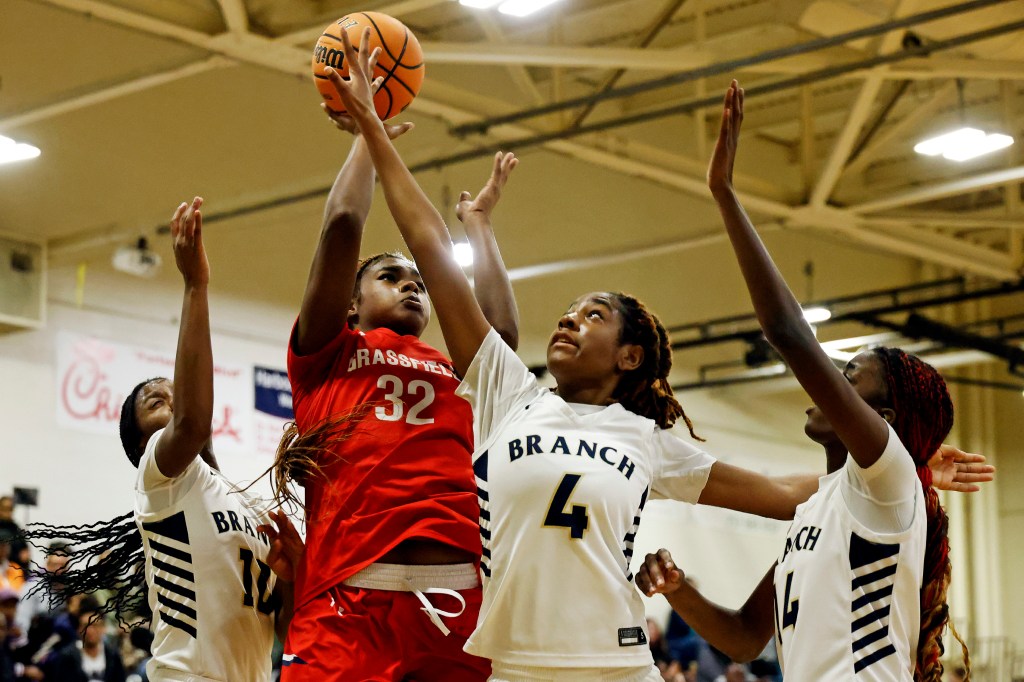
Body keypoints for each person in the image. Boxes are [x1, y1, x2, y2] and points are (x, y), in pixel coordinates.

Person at [323, 35, 993, 682]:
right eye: (569, 311)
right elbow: (433, 250)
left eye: (593, 316)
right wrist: (374, 135)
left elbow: (793, 494)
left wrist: (906, 461)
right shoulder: (507, 395)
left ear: (630, 356)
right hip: (516, 668)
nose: (568, 319)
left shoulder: (648, 441)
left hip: (619, 668)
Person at [635, 81, 992, 681]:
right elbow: (747, 639)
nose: (826, 385)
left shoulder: (887, 480)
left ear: (884, 422)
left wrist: (725, 195)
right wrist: (678, 589)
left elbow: (787, 331)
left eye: (849, 379)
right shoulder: (819, 509)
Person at [273, 44, 519, 682]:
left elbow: (505, 335)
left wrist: (479, 227)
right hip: (349, 596)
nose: (414, 286)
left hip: (454, 596)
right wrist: (366, 130)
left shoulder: (453, 364)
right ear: (352, 305)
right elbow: (343, 225)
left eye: (419, 281)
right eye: (391, 276)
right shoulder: (328, 354)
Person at [23, 197, 292, 681]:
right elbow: (189, 423)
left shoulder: (244, 504)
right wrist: (195, 284)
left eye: (175, 394)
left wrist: (294, 575)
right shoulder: (159, 478)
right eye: (156, 402)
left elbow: (284, 627)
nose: (171, 398)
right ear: (140, 442)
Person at [47, 595, 126, 682]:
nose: (90, 631)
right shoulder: (67, 658)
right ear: (78, 629)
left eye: (95, 625)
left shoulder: (112, 656)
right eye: (85, 626)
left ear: (103, 628)